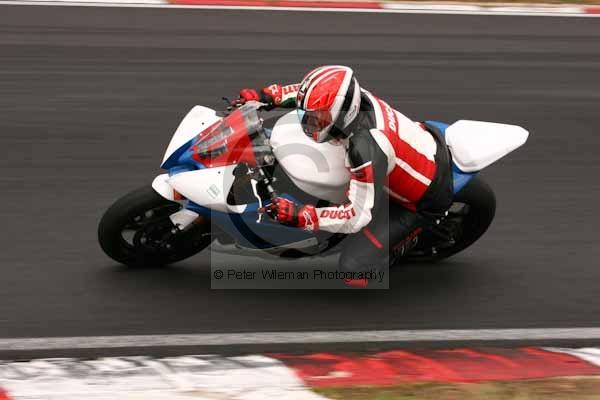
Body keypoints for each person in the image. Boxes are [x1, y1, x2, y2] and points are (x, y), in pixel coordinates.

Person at [235, 65, 453, 287]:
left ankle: (406, 243)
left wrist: (303, 215)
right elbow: (302, 93)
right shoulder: (351, 96)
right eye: (309, 116)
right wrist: (264, 96)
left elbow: (357, 216)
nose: (309, 124)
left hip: (422, 199)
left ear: (343, 113)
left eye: (318, 119)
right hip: (417, 147)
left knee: (354, 269)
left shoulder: (365, 149)